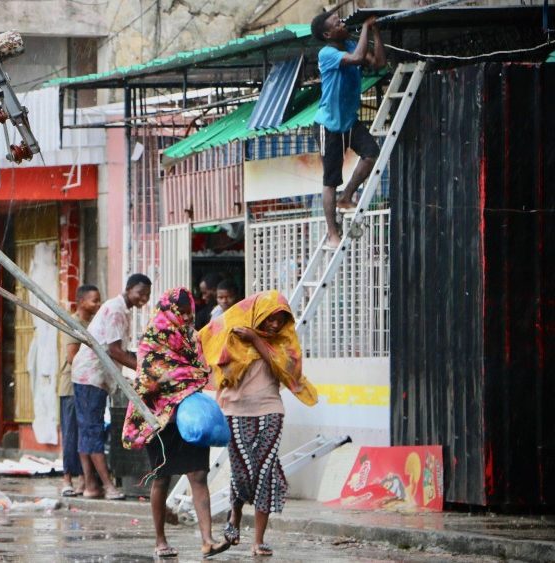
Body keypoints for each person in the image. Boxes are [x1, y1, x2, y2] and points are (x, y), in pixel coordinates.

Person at [199, 290, 318, 557]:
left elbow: (286, 370)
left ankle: (259, 539)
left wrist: (256, 339)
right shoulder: (233, 331)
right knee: (242, 472)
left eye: (281, 319)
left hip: (270, 411)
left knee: (265, 471)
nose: (275, 324)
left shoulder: (283, 343)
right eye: (270, 318)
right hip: (233, 411)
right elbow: (205, 347)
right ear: (258, 314)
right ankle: (235, 518)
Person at [122, 288, 230, 559]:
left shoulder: (191, 337)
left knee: (198, 474)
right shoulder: (152, 338)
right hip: (159, 421)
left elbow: (202, 370)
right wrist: (172, 380)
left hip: (190, 417)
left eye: (187, 312)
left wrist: (184, 379)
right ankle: (160, 540)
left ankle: (208, 540)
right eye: (179, 312)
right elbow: (146, 380)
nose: (184, 317)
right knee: (161, 478)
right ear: (168, 311)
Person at [71, 273, 152, 500]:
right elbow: (115, 351)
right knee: (92, 431)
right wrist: (144, 371)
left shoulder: (119, 309)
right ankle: (107, 486)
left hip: (94, 377)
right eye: (140, 294)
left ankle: (89, 485)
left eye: (146, 295)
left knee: (87, 431)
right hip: (91, 376)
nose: (143, 299)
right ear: (128, 289)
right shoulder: (116, 309)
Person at [311, 11, 386, 248]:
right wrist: (365, 27)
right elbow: (355, 58)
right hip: (329, 124)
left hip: (349, 121)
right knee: (331, 179)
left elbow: (379, 63)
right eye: (337, 23)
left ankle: (347, 196)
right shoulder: (327, 53)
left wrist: (375, 31)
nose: (343, 23)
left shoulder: (353, 44)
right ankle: (333, 232)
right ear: (328, 34)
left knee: (372, 154)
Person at [58, 284, 101, 497]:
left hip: (87, 383)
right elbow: (72, 357)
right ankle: (67, 478)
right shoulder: (73, 323)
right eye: (94, 300)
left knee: (84, 433)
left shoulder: (93, 323)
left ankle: (84, 479)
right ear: (81, 302)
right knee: (71, 433)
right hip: (71, 386)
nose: (98, 304)